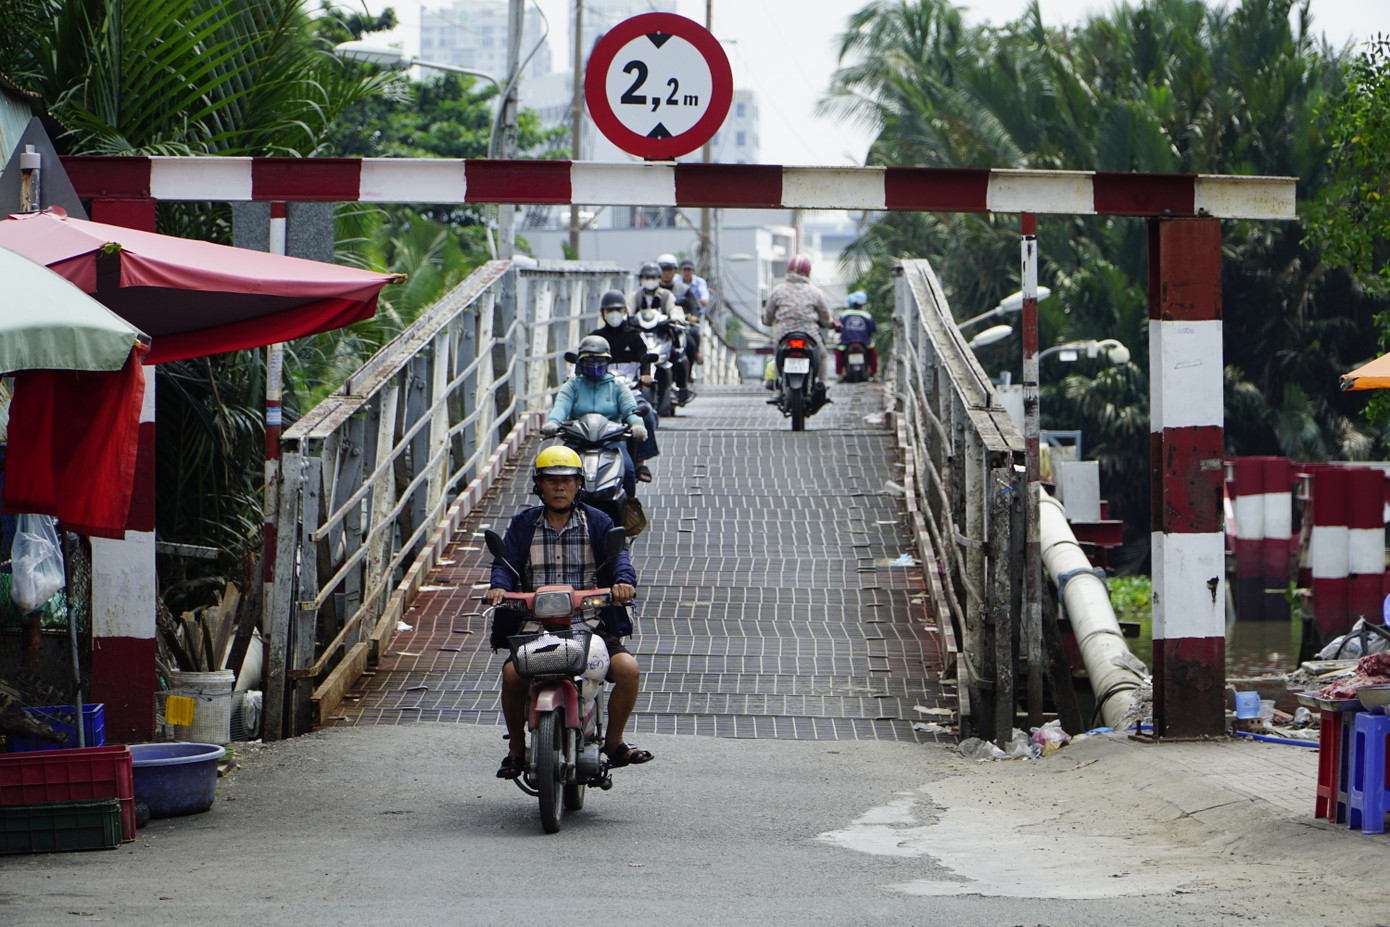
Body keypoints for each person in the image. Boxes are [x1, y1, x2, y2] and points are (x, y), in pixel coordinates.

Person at [486, 446, 653, 778]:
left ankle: (614, 742)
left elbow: (619, 559)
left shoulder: (598, 521)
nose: (559, 488)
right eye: (551, 481)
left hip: (589, 625)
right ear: (539, 485)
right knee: (511, 675)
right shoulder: (523, 524)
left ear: (579, 484)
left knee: (629, 670)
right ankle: (516, 749)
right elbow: (504, 563)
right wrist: (499, 587)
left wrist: (622, 582)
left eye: (567, 481)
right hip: (536, 627)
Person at [542, 335, 647, 498]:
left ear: (608, 362)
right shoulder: (572, 386)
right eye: (590, 361)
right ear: (581, 363)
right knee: (555, 471)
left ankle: (628, 511)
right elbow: (561, 406)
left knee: (627, 470)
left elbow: (630, 410)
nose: (595, 365)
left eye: (600, 361)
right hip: (577, 441)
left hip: (611, 443)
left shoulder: (617, 386)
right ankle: (553, 513)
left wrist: (637, 425)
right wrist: (552, 422)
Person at [591, 289, 660, 482]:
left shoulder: (636, 336)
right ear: (602, 312)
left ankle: (640, 462)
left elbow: (648, 359)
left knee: (646, 417)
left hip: (631, 390)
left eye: (618, 309)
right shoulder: (595, 338)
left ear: (625, 311)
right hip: (601, 390)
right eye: (609, 310)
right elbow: (580, 362)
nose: (614, 314)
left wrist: (646, 375)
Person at [762, 253, 833, 400]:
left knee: (777, 357)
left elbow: (768, 317)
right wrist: (829, 324)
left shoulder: (778, 291)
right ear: (808, 272)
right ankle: (822, 384)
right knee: (823, 355)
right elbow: (825, 318)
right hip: (808, 334)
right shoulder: (815, 292)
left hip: (784, 335)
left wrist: (768, 321)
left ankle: (777, 388)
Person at [835, 290, 878, 378]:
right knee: (872, 354)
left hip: (846, 342)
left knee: (839, 354)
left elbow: (838, 327)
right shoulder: (867, 315)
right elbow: (873, 329)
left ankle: (839, 374)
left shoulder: (844, 314)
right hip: (865, 342)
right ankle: (874, 373)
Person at [676, 257, 707, 367]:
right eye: (684, 270)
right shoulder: (675, 283)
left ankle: (697, 352)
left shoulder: (698, 284)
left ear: (693, 272)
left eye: (689, 270)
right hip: (675, 315)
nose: (687, 273)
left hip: (692, 315)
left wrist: (695, 315)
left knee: (694, 334)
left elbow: (703, 299)